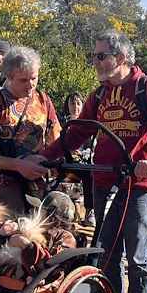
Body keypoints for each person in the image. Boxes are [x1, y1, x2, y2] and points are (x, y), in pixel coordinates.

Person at [41, 31, 147, 293]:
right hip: (103, 182)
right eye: (95, 55)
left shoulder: (146, 88)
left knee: (139, 258)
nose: (95, 62)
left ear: (120, 58)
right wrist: (45, 156)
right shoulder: (100, 94)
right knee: (108, 255)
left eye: (101, 56)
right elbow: (78, 133)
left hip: (137, 187)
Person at [0, 45, 61, 217]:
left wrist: (51, 162)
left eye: (34, 78)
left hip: (38, 185)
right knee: (10, 232)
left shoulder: (43, 100)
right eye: (23, 80)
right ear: (8, 76)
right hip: (4, 188)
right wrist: (17, 165)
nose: (30, 85)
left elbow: (56, 138)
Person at [60, 91, 96, 229]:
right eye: (72, 103)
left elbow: (91, 146)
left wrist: (82, 153)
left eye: (78, 103)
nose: (75, 106)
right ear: (67, 106)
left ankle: (89, 210)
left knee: (90, 173)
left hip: (83, 161)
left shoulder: (89, 124)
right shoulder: (62, 123)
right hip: (65, 160)